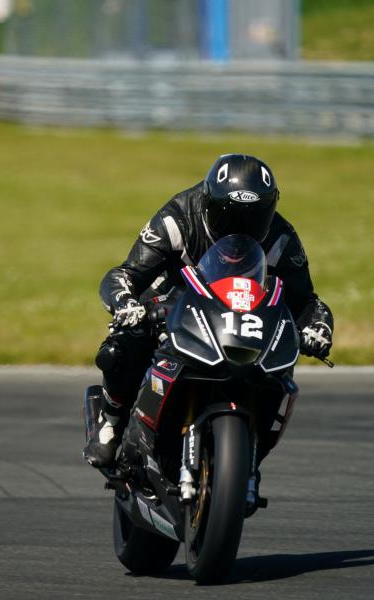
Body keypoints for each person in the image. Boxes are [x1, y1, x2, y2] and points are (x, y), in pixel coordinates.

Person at [84, 153, 333, 468]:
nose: (239, 230)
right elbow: (126, 274)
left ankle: (249, 452)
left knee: (281, 368)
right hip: (175, 299)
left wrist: (317, 327)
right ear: (206, 204)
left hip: (241, 316)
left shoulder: (282, 238)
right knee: (123, 343)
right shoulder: (177, 218)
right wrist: (126, 304)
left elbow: (306, 302)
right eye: (228, 218)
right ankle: (112, 420)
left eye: (253, 219)